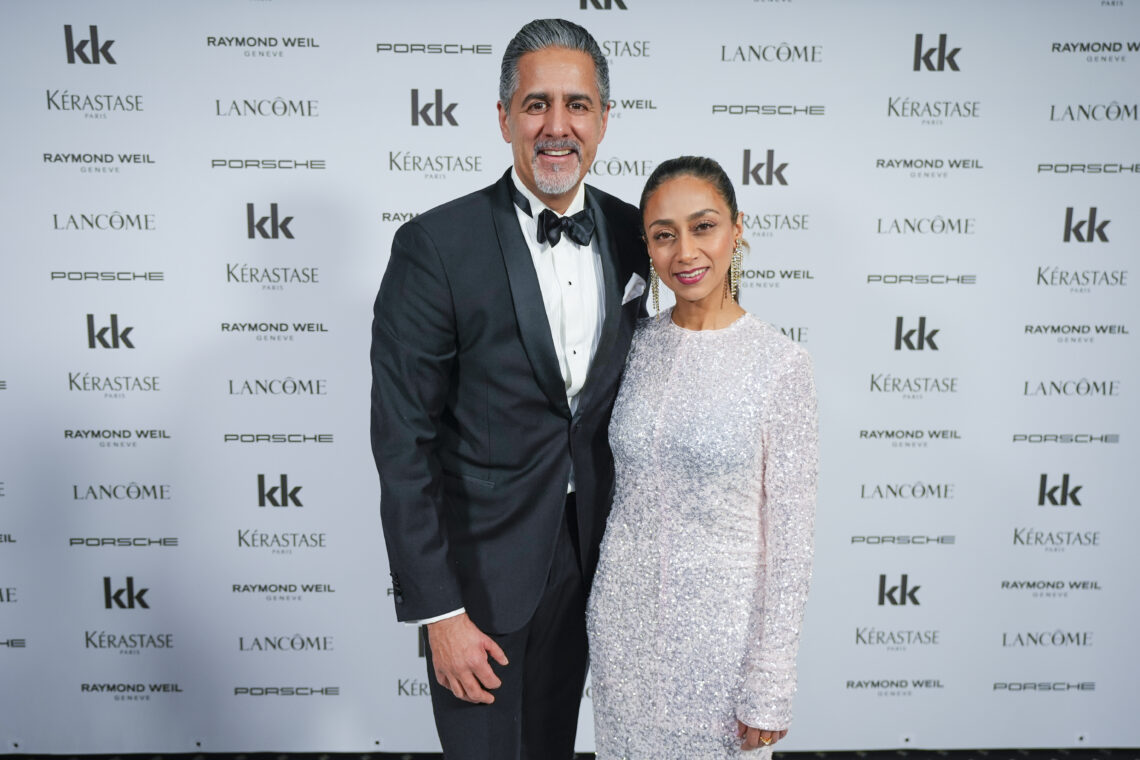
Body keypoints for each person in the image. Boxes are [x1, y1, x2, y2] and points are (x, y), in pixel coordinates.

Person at [369, 18, 648, 760]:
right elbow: (403, 443)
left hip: (592, 568)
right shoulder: (436, 246)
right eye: (536, 104)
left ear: (604, 118)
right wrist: (440, 612)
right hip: (480, 582)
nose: (557, 126)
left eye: (577, 105)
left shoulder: (635, 233)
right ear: (503, 118)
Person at [587, 156, 818, 758]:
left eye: (704, 227)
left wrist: (771, 680)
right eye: (664, 235)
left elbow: (791, 541)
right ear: (648, 246)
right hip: (622, 635)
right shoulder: (630, 345)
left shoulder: (780, 365)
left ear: (737, 229)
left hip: (723, 650)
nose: (685, 252)